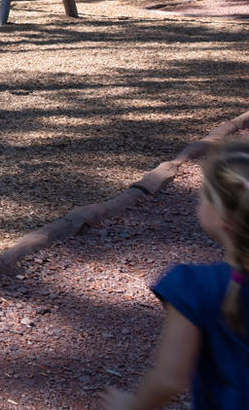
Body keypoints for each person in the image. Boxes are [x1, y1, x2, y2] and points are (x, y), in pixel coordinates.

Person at [102, 138, 249, 410]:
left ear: (223, 217)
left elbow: (169, 379)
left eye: (203, 194)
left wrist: (132, 406)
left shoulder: (197, 287)